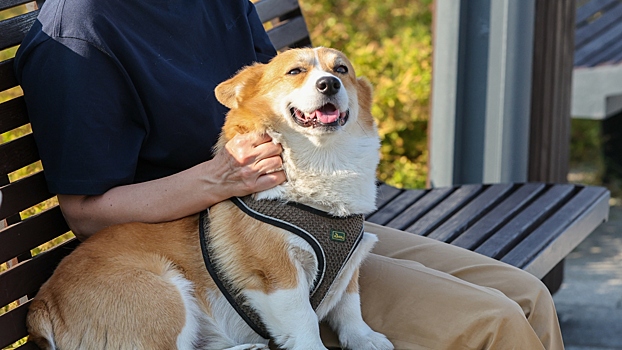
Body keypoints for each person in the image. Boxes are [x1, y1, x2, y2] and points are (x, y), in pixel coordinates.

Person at [15, 0, 565, 348]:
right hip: (216, 253)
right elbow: (86, 213)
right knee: (494, 324)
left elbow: (284, 87)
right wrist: (217, 179)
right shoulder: (80, 32)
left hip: (308, 209)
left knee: (527, 294)